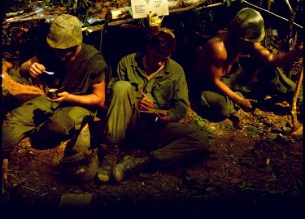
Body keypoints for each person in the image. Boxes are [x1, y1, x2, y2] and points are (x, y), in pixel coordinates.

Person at [2, 14, 108, 185]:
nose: (58, 54)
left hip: (79, 103)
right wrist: (30, 68)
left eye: (63, 50)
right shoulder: (50, 49)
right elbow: (22, 70)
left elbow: (99, 98)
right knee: (16, 119)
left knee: (56, 126)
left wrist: (70, 97)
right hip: (53, 98)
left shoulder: (93, 60)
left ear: (76, 45)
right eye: (55, 49)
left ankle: (39, 133)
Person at [98, 27, 210, 183]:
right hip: (127, 123)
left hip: (156, 127)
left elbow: (181, 106)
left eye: (164, 59)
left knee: (200, 139)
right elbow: (111, 94)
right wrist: (136, 102)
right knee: (121, 87)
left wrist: (169, 116)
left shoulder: (176, 71)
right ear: (148, 48)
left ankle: (142, 163)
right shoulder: (128, 62)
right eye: (156, 56)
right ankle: (112, 151)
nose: (159, 63)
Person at [192, 7, 303, 127]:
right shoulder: (218, 48)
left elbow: (271, 59)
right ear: (239, 36)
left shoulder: (246, 42)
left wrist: (296, 53)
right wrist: (239, 100)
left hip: (230, 78)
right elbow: (214, 81)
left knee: (270, 72)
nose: (253, 44)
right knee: (222, 107)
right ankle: (239, 96)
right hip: (209, 85)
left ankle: (299, 97)